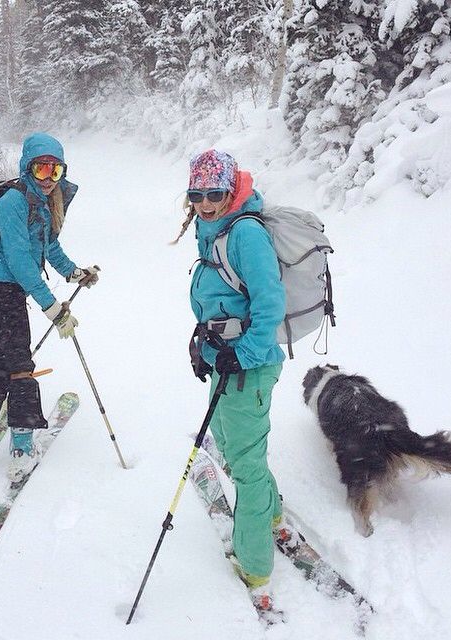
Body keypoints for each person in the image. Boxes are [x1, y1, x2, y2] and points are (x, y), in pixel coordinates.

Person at [174, 149, 285, 613]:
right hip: (226, 359)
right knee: (231, 439)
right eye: (195, 194)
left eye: (214, 193)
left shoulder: (245, 233)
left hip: (249, 365)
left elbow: (269, 303)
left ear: (231, 189)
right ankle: (274, 514)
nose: (203, 203)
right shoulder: (213, 227)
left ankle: (255, 562)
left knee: (245, 464)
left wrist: (243, 354)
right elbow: (220, 297)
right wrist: (205, 345)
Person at [0, 132, 99, 484]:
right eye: (42, 170)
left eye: (56, 171)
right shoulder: (13, 202)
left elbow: (49, 247)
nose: (50, 178)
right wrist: (53, 308)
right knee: (20, 367)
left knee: (4, 364)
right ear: (28, 168)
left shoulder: (41, 204)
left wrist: (74, 274)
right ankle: (21, 448)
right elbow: (22, 264)